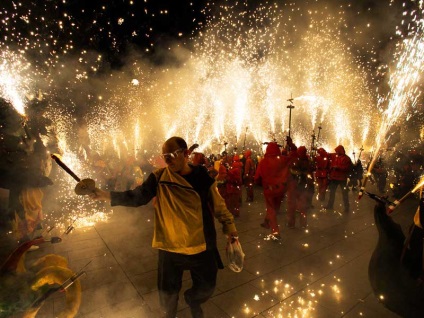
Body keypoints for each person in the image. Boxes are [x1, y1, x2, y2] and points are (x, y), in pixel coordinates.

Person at [89, 136, 239, 318]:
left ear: (185, 154)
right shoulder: (159, 177)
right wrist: (105, 195)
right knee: (167, 296)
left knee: (207, 287)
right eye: (164, 155)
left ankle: (193, 300)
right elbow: (137, 197)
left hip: (200, 246)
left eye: (171, 154)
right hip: (170, 247)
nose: (167, 160)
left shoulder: (202, 177)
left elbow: (219, 206)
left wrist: (231, 230)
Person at [254, 142, 288, 241]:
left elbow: (257, 177)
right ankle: (266, 221)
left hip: (269, 189)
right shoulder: (282, 160)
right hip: (281, 189)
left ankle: (275, 231)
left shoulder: (263, 162)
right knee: (276, 207)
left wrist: (259, 183)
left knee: (271, 209)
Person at [325, 145, 352, 213]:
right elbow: (328, 155)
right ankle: (330, 205)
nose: (336, 152)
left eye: (337, 151)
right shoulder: (336, 156)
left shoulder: (346, 158)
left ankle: (346, 207)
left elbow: (347, 168)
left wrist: (338, 167)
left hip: (342, 179)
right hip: (334, 178)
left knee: (344, 193)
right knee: (332, 193)